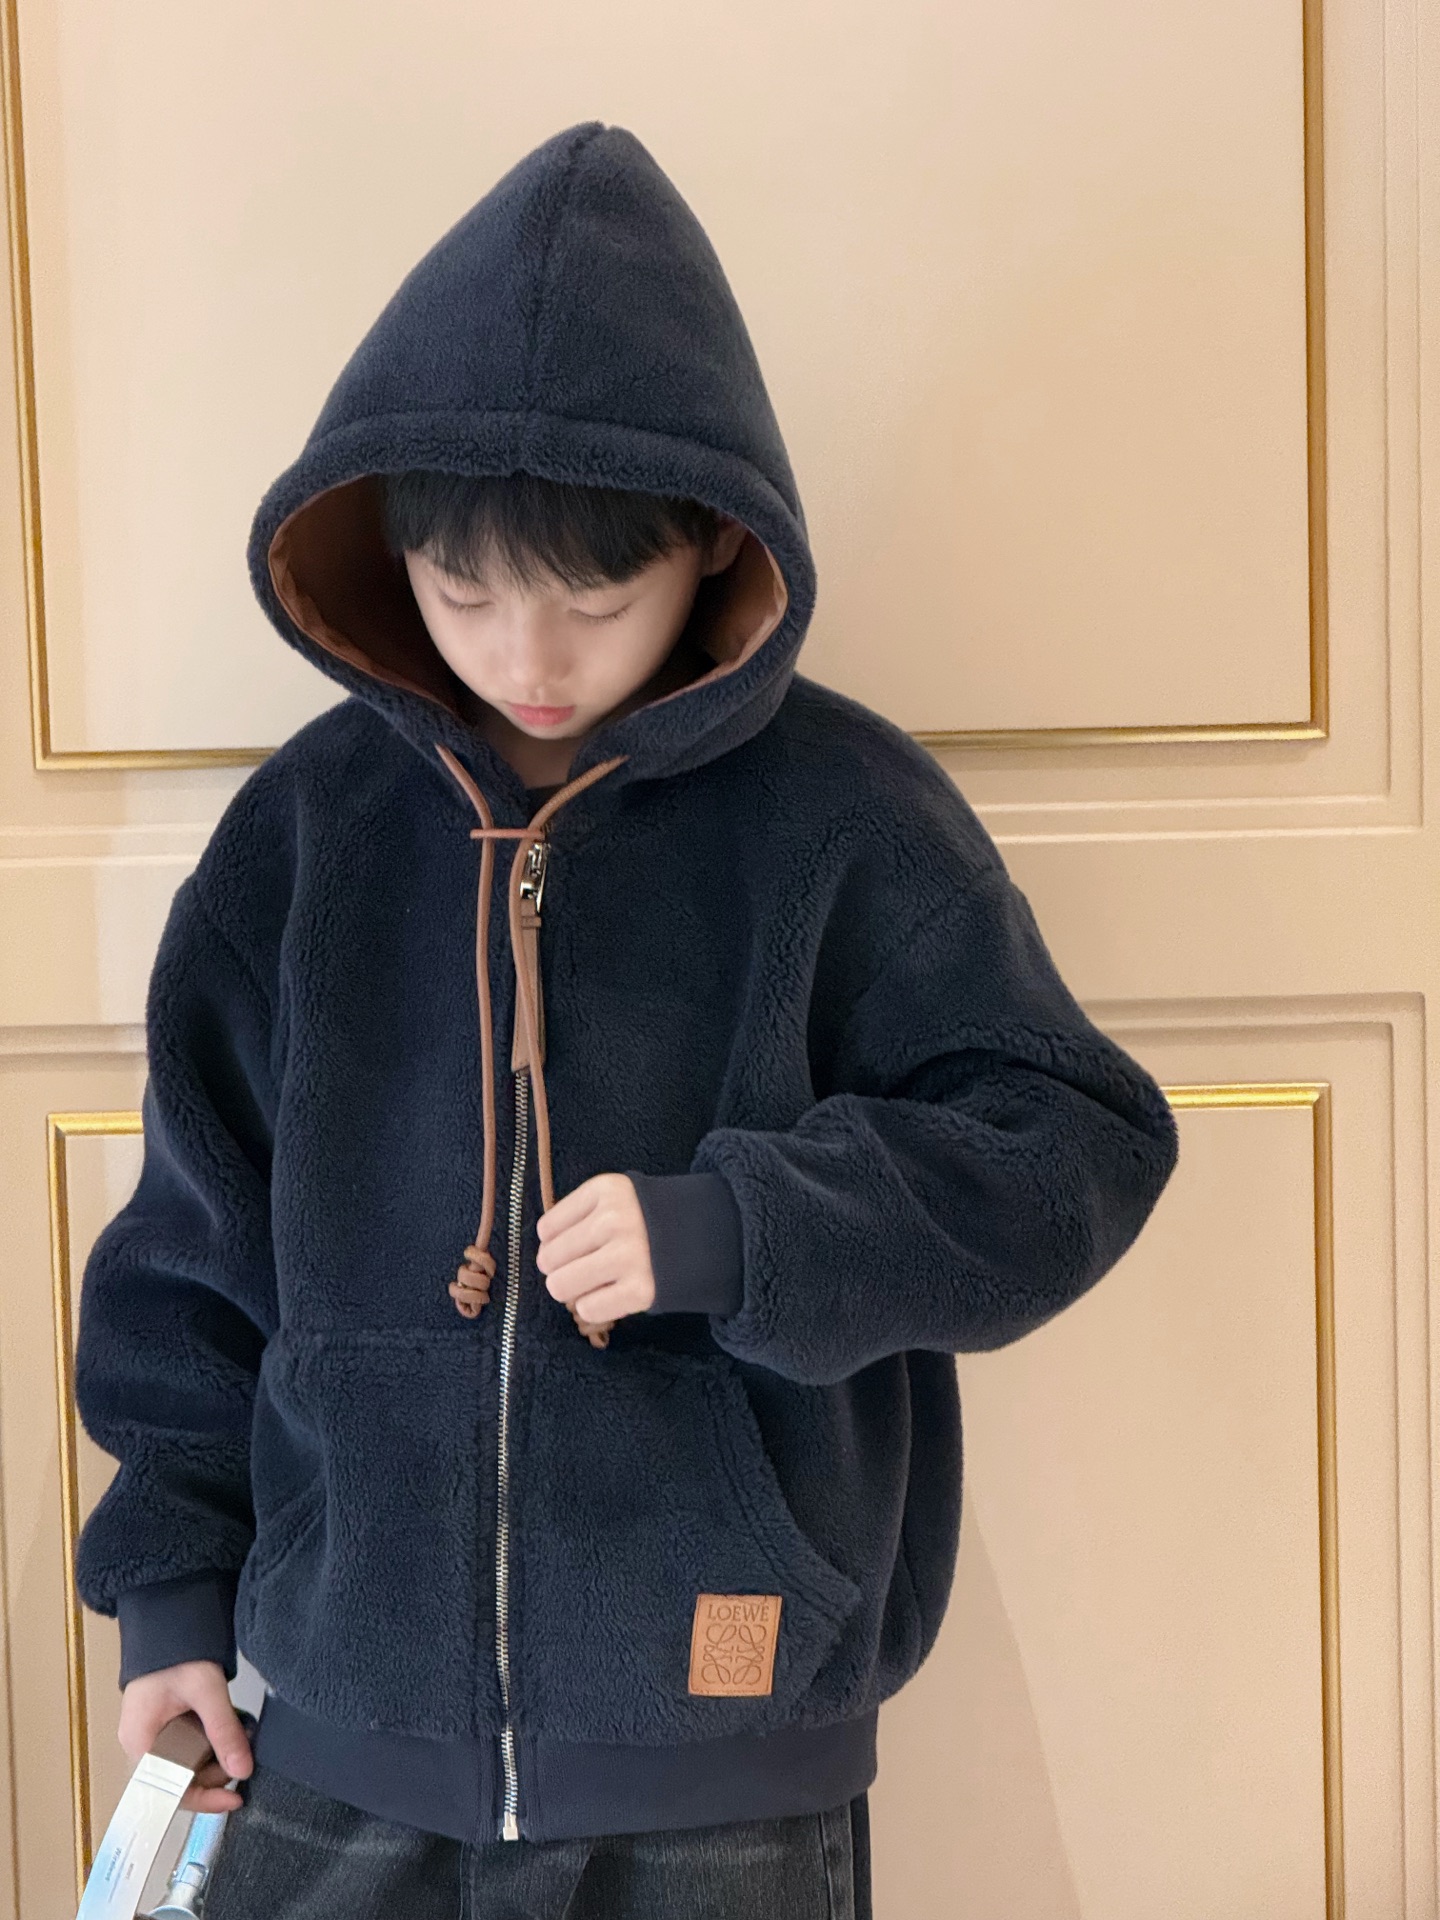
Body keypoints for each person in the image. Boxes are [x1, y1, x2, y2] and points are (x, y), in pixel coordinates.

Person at [71, 120, 1180, 1918]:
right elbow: (191, 1260)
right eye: (463, 593)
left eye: (596, 599)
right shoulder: (303, 841)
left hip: (724, 1753)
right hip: (338, 1731)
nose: (529, 659)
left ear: (712, 545)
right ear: (387, 546)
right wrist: (171, 1594)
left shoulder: (844, 820)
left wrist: (745, 1228)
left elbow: (1073, 1147)